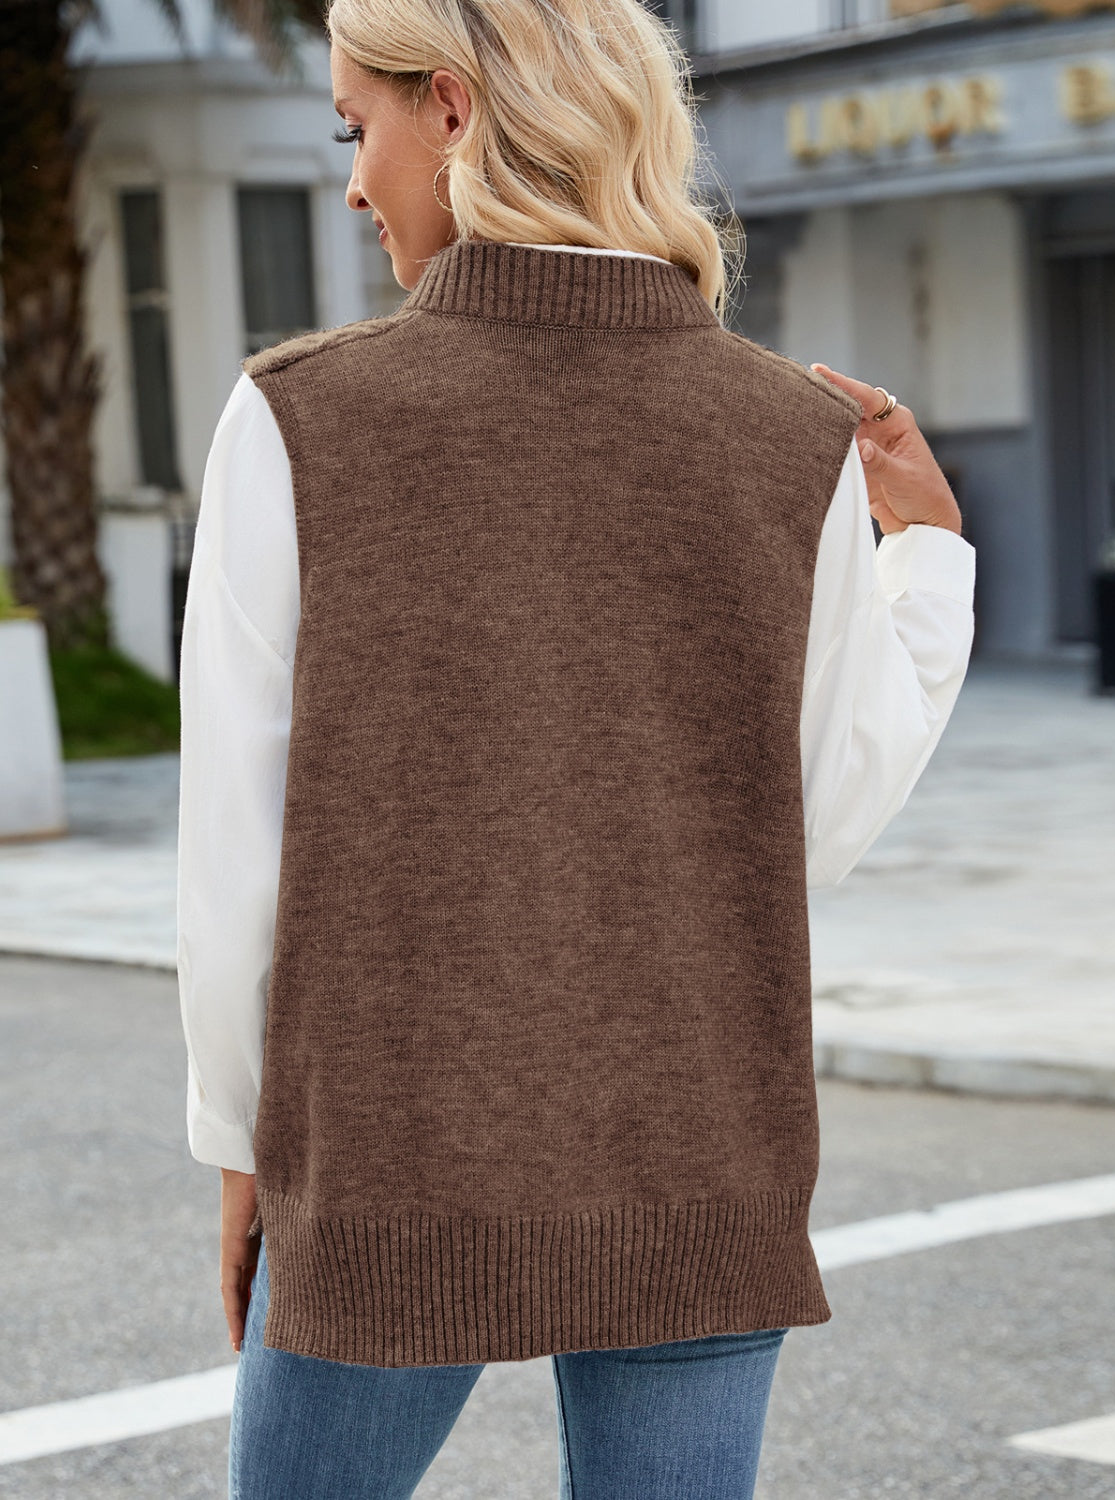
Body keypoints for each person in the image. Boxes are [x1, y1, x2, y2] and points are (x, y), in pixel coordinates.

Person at [175, 1, 975, 1495]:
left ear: (453, 109)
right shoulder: (787, 433)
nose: (352, 185)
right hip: (700, 1163)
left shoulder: (295, 418)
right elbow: (806, 822)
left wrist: (242, 1144)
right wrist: (926, 565)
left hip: (392, 1169)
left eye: (358, 127)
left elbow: (239, 856)